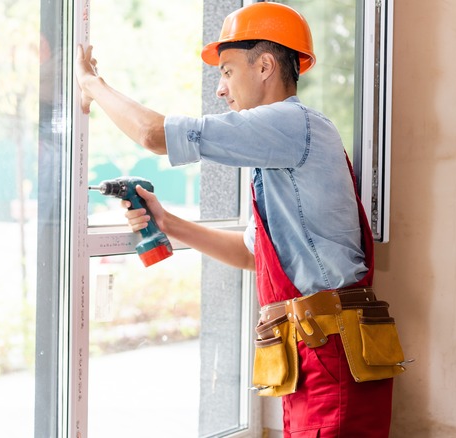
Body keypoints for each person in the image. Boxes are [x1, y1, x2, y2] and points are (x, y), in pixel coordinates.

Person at [76, 3, 404, 436]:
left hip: (332, 356)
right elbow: (253, 255)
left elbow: (153, 135)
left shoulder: (292, 125)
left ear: (265, 65)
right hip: (314, 353)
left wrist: (92, 85)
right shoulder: (279, 150)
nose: (220, 89)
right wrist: (169, 222)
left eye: (227, 71)